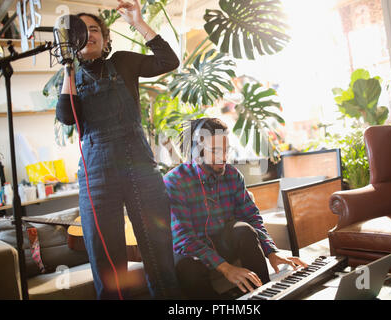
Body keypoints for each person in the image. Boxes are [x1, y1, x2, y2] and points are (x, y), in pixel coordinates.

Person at [56, 0, 180, 299]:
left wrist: (139, 22)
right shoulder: (70, 78)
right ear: (72, 40)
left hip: (140, 168)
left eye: (95, 29)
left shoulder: (123, 62)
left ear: (106, 38)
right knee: (107, 262)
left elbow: (168, 62)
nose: (89, 34)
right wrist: (68, 66)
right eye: (81, 31)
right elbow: (66, 116)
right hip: (96, 178)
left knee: (158, 251)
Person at [163, 118, 307, 299]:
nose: (223, 157)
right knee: (188, 268)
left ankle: (266, 294)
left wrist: (272, 251)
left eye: (226, 150)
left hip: (222, 242)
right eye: (215, 151)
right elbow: (183, 238)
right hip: (191, 251)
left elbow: (252, 217)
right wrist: (226, 268)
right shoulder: (174, 181)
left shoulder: (232, 175)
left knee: (244, 230)